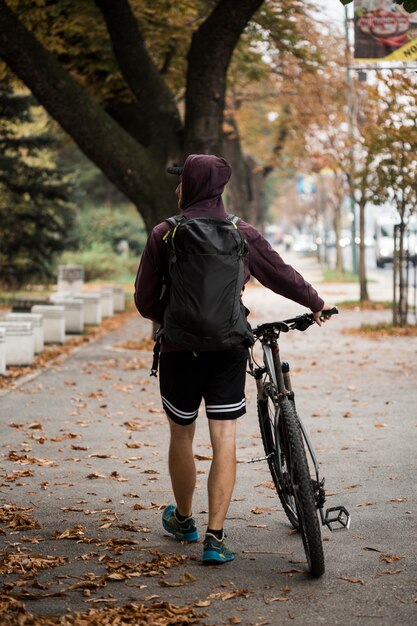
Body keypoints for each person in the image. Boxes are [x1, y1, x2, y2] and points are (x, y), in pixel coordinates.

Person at [134, 153, 333, 565]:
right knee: (224, 439)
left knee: (182, 435)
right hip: (228, 349)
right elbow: (280, 274)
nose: (178, 187)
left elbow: (144, 299)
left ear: (189, 186)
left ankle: (184, 519)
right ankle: (215, 537)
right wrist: (314, 302)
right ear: (219, 188)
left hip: (178, 351)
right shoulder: (241, 232)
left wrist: (169, 320)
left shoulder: (163, 233)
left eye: (182, 180)